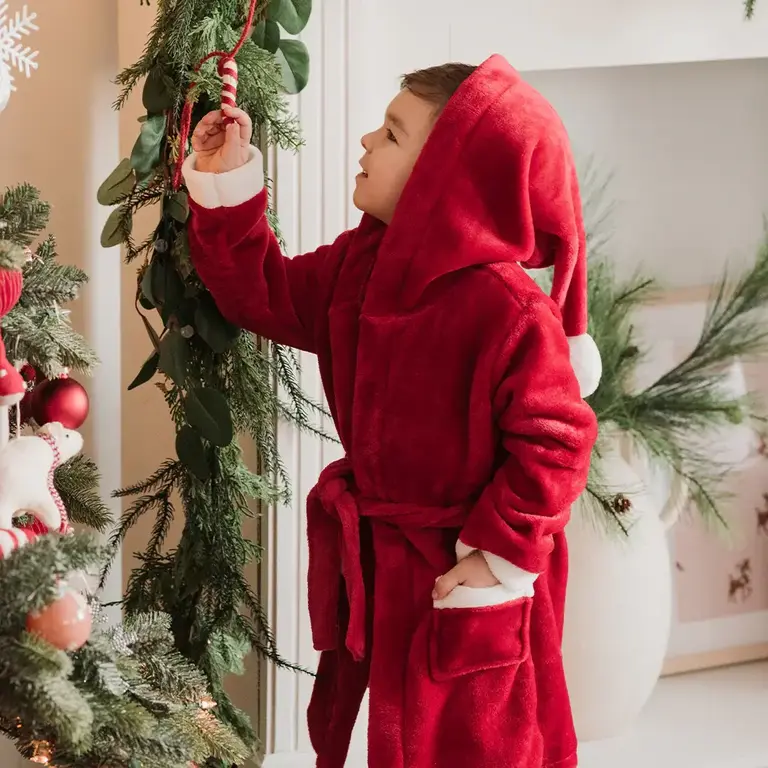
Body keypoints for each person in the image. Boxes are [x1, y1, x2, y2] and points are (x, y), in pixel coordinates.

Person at [183, 53, 600, 768]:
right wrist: (228, 173)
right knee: (386, 728)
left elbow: (558, 441)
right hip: (378, 556)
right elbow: (263, 290)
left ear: (449, 180)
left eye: (393, 134)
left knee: (474, 738)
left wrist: (496, 559)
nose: (367, 143)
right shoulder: (359, 271)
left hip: (462, 561)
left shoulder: (507, 310)